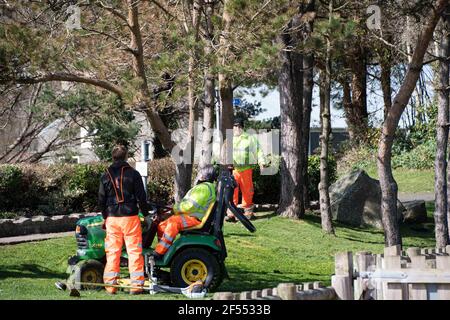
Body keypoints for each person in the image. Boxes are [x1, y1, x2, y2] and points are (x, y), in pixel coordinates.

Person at [98, 144, 150, 295]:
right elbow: (142, 198)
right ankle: (136, 286)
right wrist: (146, 215)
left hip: (112, 218)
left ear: (112, 157)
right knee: (134, 252)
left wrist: (105, 217)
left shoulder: (105, 175)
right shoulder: (133, 174)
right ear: (126, 157)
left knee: (112, 253)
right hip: (130, 218)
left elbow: (101, 200)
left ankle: (110, 286)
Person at [152, 165, 217, 259]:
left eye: (199, 173)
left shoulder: (203, 188)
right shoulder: (206, 187)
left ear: (204, 176)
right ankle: (165, 250)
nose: (198, 176)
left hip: (194, 219)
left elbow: (190, 206)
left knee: (173, 222)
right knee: (162, 225)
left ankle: (159, 253)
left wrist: (175, 209)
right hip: (191, 217)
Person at [225, 117, 265, 222]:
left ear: (242, 127)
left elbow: (258, 150)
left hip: (246, 170)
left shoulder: (249, 138)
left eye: (239, 126)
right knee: (232, 192)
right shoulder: (230, 139)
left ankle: (248, 213)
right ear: (233, 127)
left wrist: (261, 162)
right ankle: (231, 214)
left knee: (247, 192)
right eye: (235, 126)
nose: (237, 128)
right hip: (234, 170)